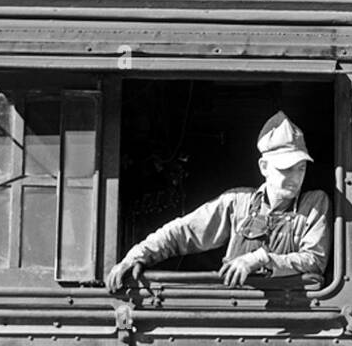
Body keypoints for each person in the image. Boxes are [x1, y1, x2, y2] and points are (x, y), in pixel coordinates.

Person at [106, 112, 330, 291]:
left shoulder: (314, 204)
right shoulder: (237, 203)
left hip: (292, 311)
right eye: (286, 169)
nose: (295, 177)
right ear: (264, 167)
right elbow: (182, 232)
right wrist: (137, 255)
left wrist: (261, 259)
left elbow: (314, 260)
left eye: (301, 168)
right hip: (239, 306)